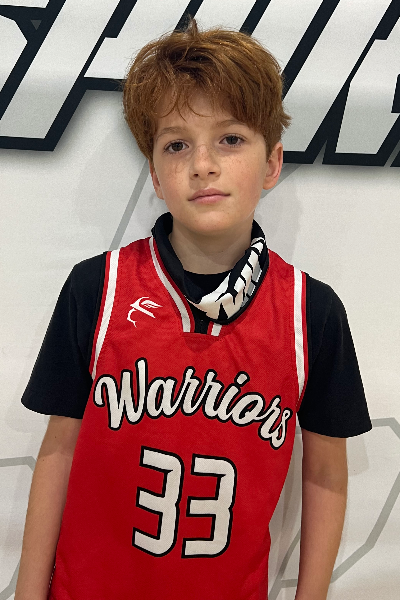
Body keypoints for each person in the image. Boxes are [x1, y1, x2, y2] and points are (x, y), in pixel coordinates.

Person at [15, 15, 371, 600]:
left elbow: (327, 475)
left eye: (230, 139)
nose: (203, 163)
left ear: (272, 163)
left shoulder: (313, 313)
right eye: (177, 144)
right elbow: (59, 449)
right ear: (156, 176)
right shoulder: (97, 289)